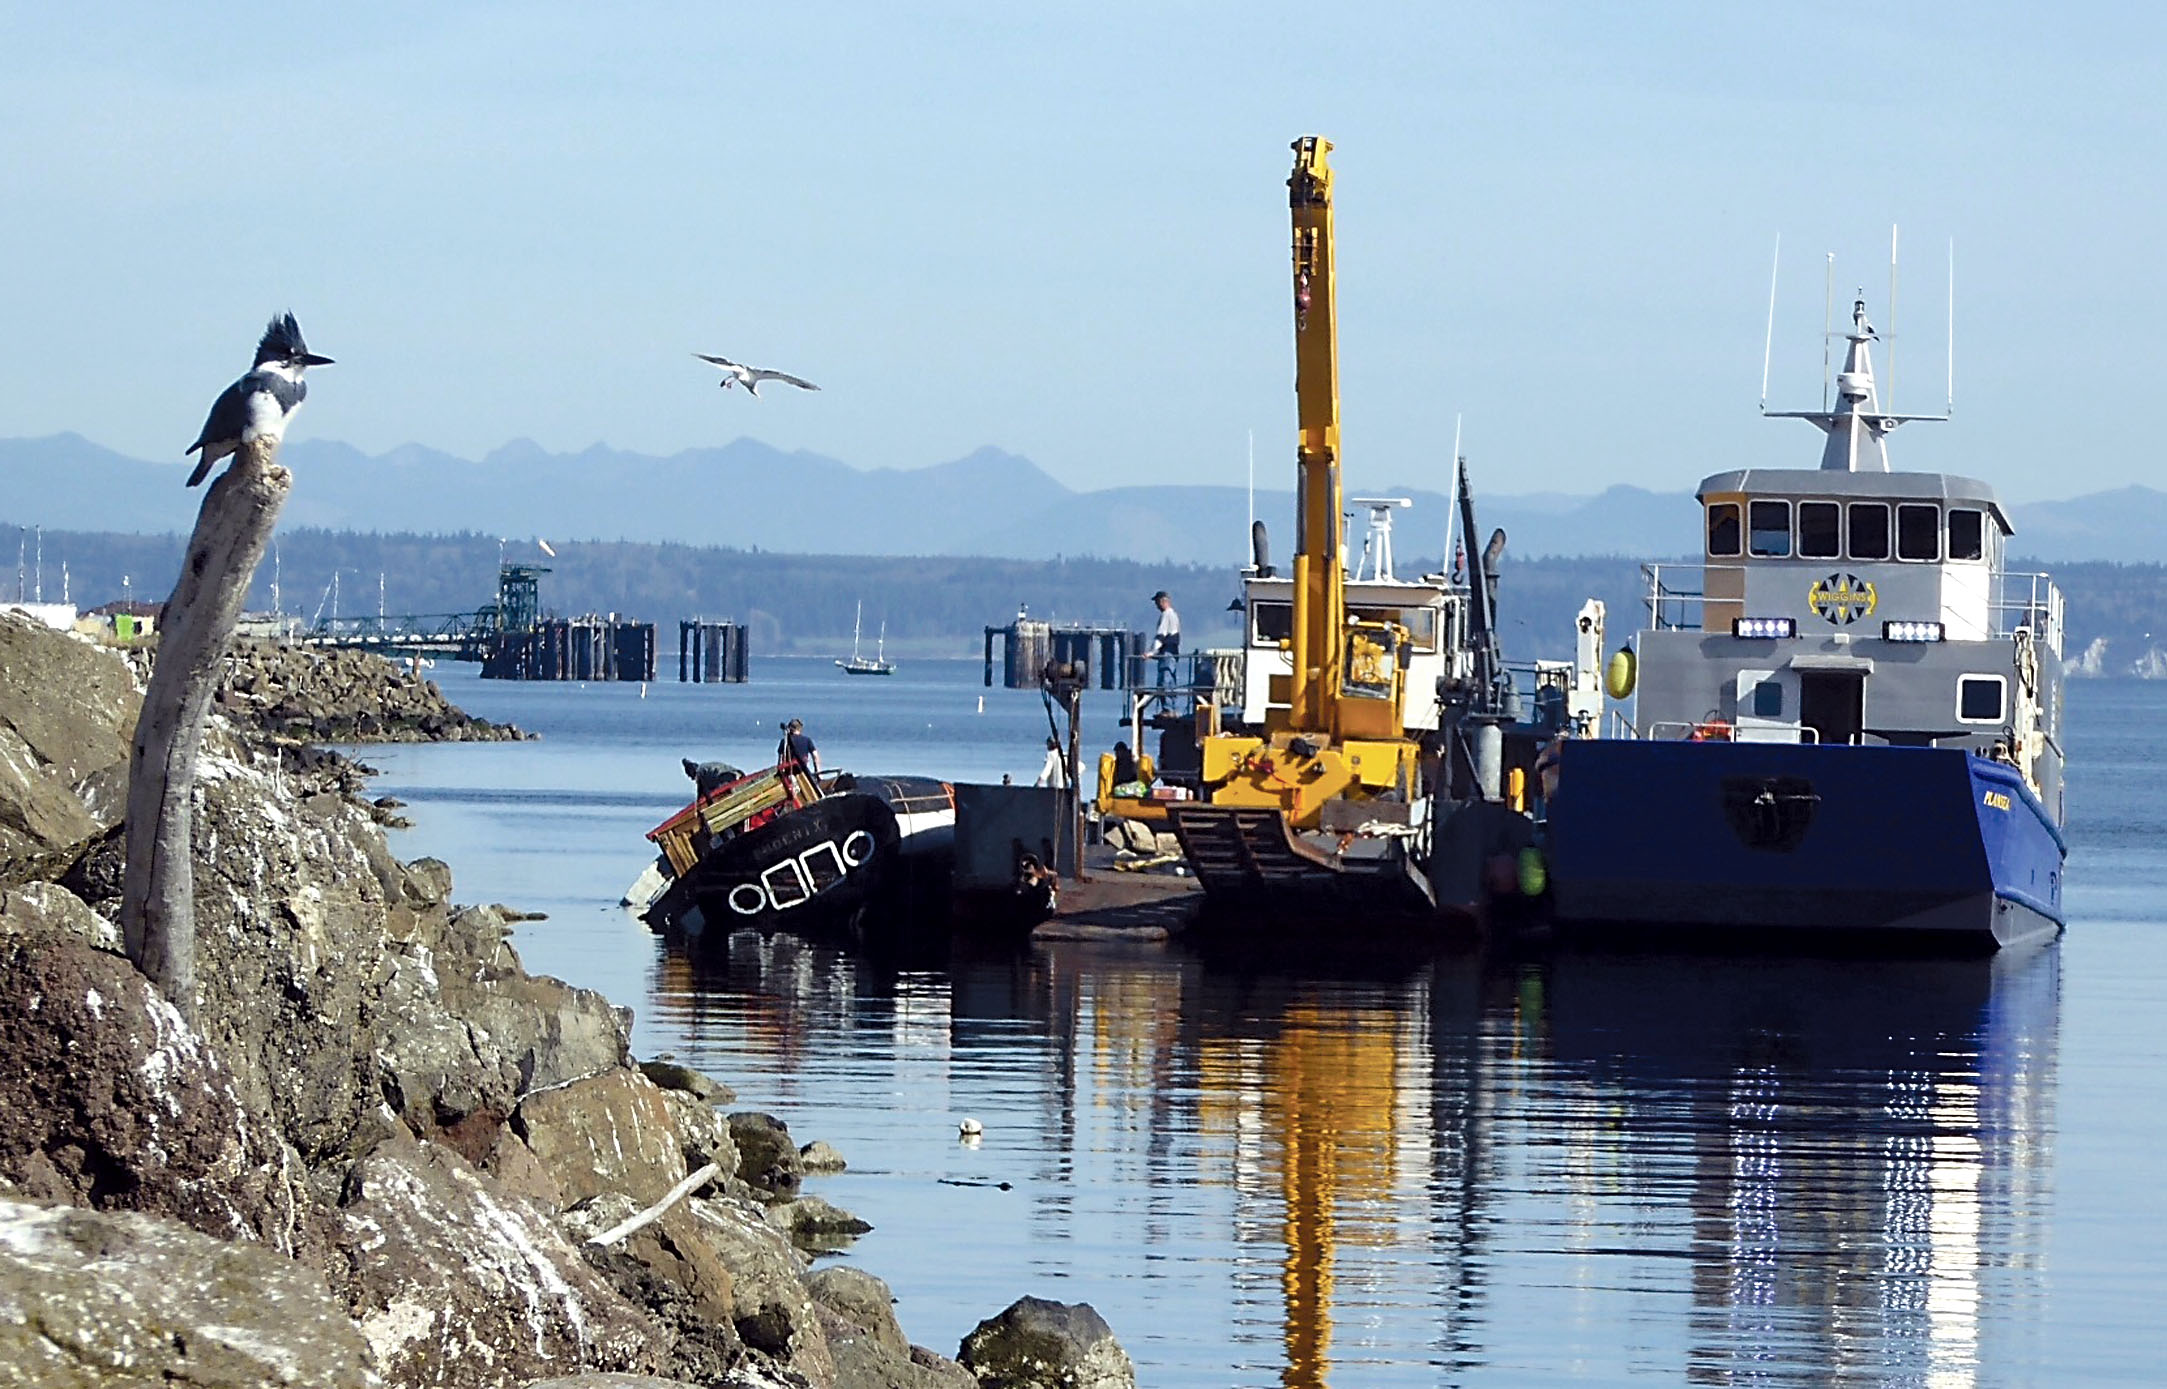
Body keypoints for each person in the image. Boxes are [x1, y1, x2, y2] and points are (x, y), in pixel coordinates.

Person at [1150, 590, 1181, 703]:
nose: (1156, 605)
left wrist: (1151, 652)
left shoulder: (1166, 615)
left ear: (1163, 601)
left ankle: (1167, 708)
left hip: (1167, 650)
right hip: (1174, 650)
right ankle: (1173, 707)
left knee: (1164, 679)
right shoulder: (1174, 615)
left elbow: (1161, 635)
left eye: (1157, 602)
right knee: (1171, 680)